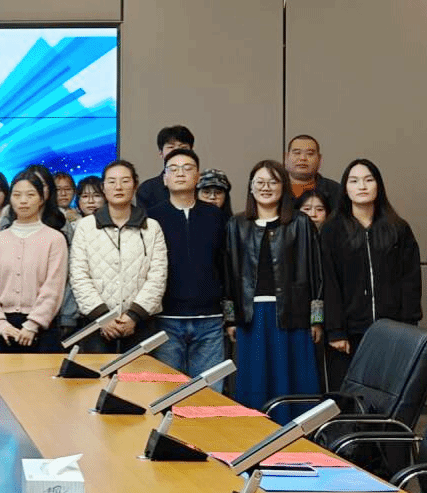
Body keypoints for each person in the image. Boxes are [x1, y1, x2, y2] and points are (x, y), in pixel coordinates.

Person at [223, 160, 323, 420]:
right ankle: (255, 435)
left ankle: (297, 435)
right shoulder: (236, 224)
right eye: (260, 182)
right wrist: (230, 318)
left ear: (284, 187)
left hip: (292, 314)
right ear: (251, 187)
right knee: (255, 381)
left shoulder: (301, 223)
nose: (266, 187)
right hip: (251, 316)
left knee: (292, 379)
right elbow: (229, 274)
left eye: (273, 182)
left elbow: (315, 272)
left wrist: (316, 318)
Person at [320, 159, 422, 392]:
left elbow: (410, 280)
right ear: (345, 188)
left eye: (368, 180)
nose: (362, 186)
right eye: (354, 181)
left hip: (393, 330)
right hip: (347, 334)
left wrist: (409, 326)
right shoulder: (332, 229)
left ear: (379, 185)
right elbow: (329, 282)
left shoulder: (398, 228)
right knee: (349, 397)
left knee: (389, 394)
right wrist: (335, 330)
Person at [147, 150, 229, 388]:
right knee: (165, 393)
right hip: (166, 319)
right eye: (173, 169)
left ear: (198, 176)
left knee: (210, 395)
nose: (180, 173)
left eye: (187, 168)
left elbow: (226, 264)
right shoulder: (151, 218)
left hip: (210, 319)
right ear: (165, 178)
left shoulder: (216, 216)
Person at [69, 160, 168, 353]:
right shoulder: (86, 227)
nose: (118, 187)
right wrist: (104, 318)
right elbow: (78, 275)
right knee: (95, 373)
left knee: (141, 373)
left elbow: (158, 276)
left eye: (125, 181)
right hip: (96, 324)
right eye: (112, 181)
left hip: (141, 322)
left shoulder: (152, 227)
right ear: (103, 187)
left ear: (135, 185)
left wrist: (133, 316)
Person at [0, 170, 68, 353]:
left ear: (41, 199)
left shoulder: (55, 239)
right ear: (10, 199)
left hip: (42, 329)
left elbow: (53, 287)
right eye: (17, 195)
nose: (23, 201)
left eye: (30, 195)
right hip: (2, 330)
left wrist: (33, 325)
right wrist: (0, 323)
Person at [137, 125, 194, 210]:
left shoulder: (202, 186)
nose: (177, 151)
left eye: (183, 147)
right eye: (171, 147)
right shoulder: (147, 189)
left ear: (191, 152)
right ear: (161, 153)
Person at [286, 134, 343, 209]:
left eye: (310, 154)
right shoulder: (275, 188)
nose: (303, 158)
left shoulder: (336, 191)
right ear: (286, 157)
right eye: (297, 153)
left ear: (319, 159)